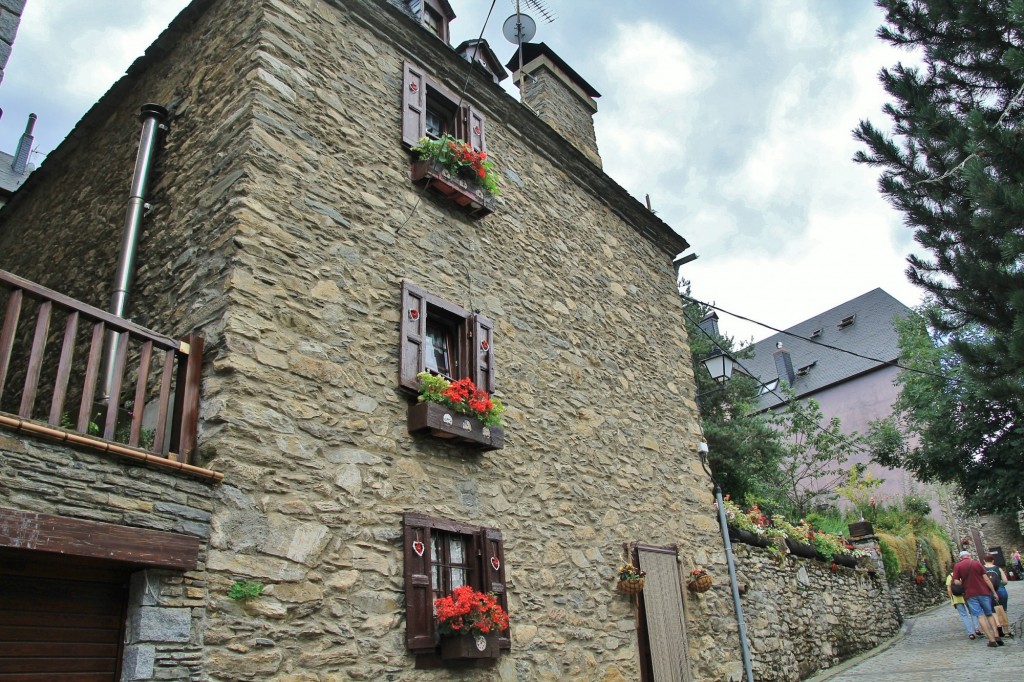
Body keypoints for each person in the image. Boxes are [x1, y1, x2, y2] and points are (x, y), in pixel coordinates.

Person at [952, 550, 1004, 647]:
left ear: (960, 558)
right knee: (989, 614)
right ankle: (997, 635)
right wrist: (993, 592)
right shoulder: (977, 563)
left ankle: (991, 640)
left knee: (980, 616)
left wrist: (963, 582)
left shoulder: (958, 566)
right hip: (984, 592)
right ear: (969, 556)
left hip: (970, 595)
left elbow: (956, 582)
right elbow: (986, 579)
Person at [983, 553, 1012, 638]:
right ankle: (1006, 631)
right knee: (1003, 610)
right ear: (993, 560)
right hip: (1001, 590)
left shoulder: (982, 569)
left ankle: (998, 626)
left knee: (993, 611)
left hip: (989, 592)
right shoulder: (998, 568)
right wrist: (1001, 585)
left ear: (984, 560)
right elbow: (1005, 581)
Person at [947, 570, 980, 639]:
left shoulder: (949, 577)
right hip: (967, 596)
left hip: (957, 598)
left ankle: (971, 633)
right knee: (973, 612)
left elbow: (949, 590)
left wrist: (952, 599)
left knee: (964, 615)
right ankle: (977, 628)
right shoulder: (963, 574)